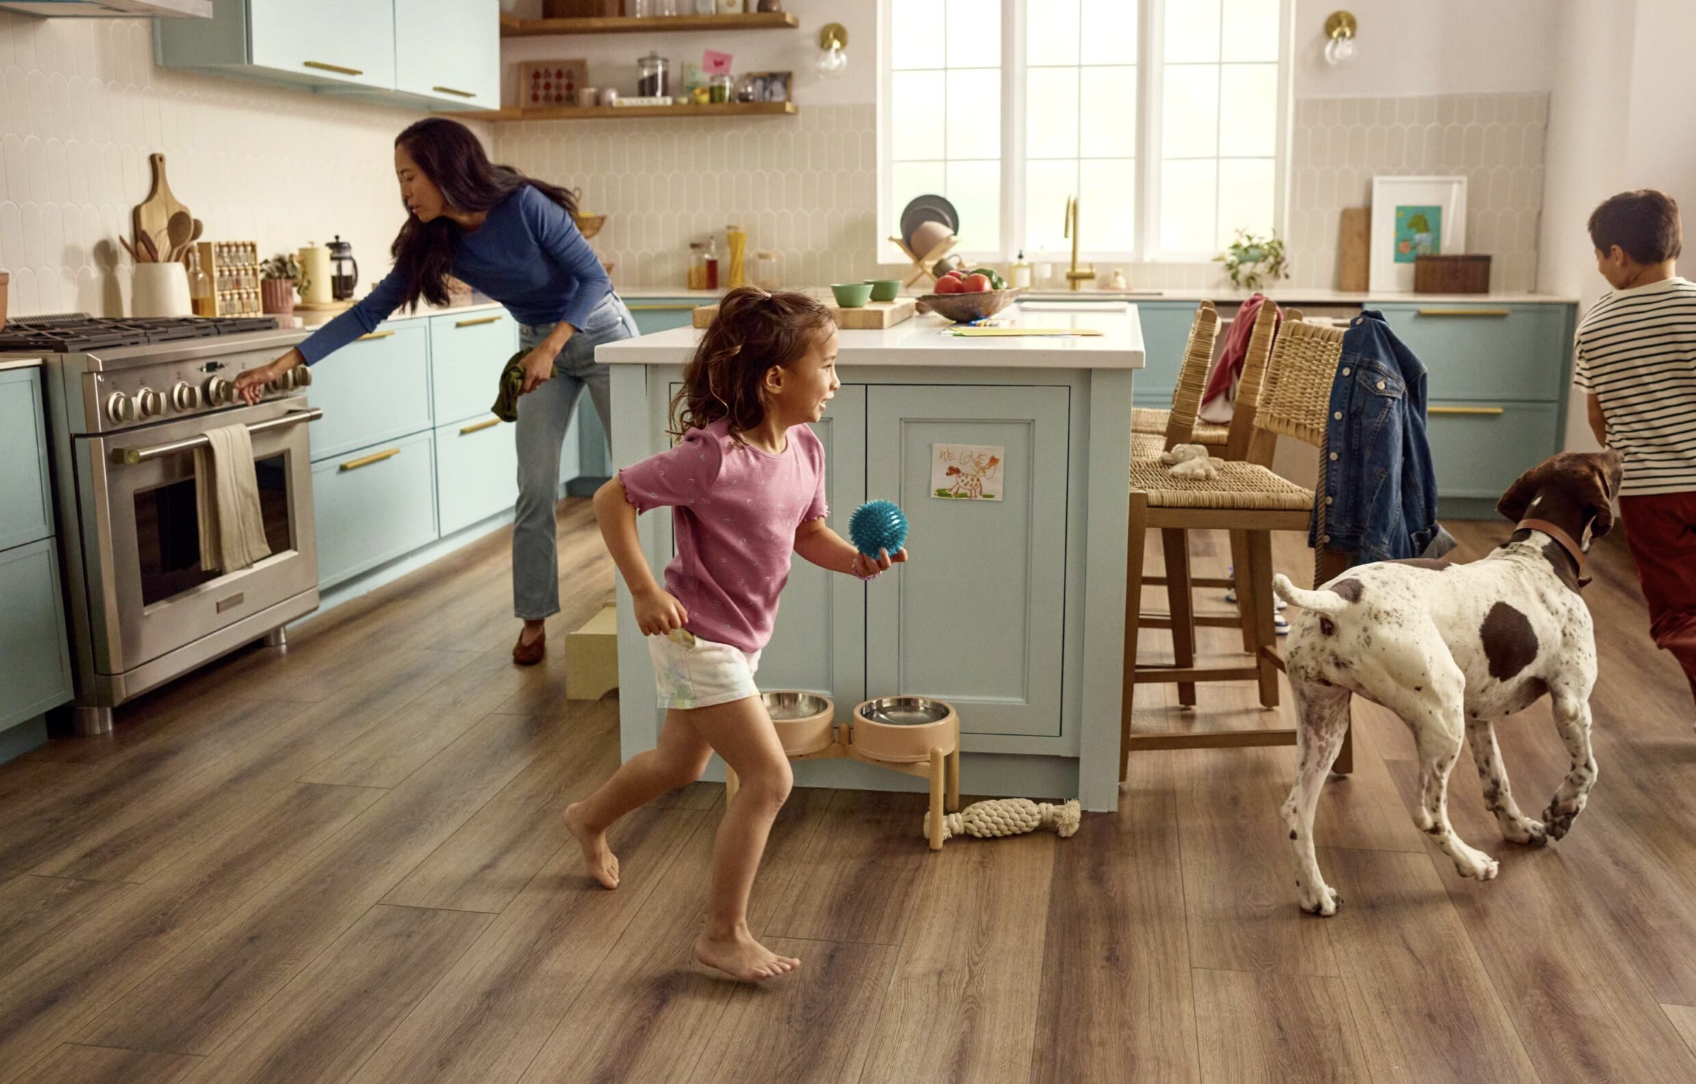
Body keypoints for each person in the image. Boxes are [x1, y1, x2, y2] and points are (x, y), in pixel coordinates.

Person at [561, 288, 907, 982]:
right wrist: (643, 591)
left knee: (679, 765)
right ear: (776, 378)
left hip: (742, 636)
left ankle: (586, 819)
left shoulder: (804, 447)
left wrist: (856, 561)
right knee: (769, 776)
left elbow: (807, 531)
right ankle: (724, 932)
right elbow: (611, 498)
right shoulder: (710, 457)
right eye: (829, 365)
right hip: (696, 635)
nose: (837, 381)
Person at [235, 118, 635, 666]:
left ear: (445, 170)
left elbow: (595, 279)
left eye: (410, 176)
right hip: (536, 344)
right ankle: (533, 619)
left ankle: (651, 598)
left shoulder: (523, 206)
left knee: (636, 481)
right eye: (399, 178)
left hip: (598, 333)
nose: (404, 192)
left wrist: (550, 348)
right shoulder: (435, 237)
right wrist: (283, 363)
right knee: (534, 487)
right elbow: (368, 311)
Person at [1573, 188, 1696, 721]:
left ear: (1618, 254)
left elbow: (1598, 417)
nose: (1600, 268)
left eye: (1600, 256)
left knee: (1680, 609)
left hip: (1650, 493)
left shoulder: (1596, 326)